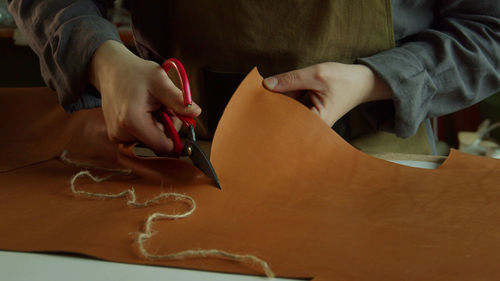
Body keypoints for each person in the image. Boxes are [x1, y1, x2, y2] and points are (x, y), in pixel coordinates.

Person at [8, 0, 500, 155]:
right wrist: (103, 59)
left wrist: (375, 81)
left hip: (378, 158)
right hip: (176, 151)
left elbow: (490, 27)